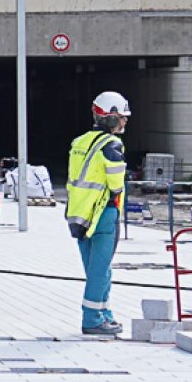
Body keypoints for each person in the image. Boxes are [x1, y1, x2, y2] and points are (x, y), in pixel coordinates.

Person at [65, 92, 133, 337]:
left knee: (95, 268)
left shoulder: (79, 142)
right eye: (122, 117)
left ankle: (104, 314)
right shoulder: (111, 145)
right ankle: (93, 319)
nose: (125, 121)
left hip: (79, 213)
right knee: (100, 270)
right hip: (103, 212)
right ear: (112, 117)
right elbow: (116, 184)